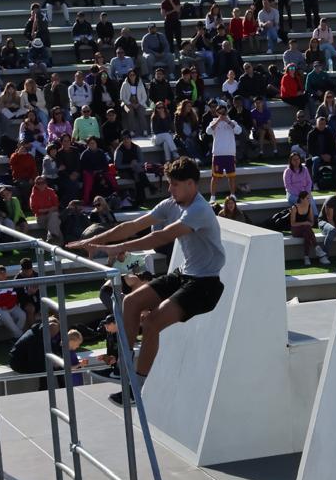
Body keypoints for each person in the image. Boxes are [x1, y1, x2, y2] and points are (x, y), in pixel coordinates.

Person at [67, 157, 227, 389]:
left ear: (191, 184)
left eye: (175, 184)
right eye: (169, 183)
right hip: (184, 274)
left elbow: (160, 237)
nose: (170, 189)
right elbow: (131, 226)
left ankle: (138, 384)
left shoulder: (199, 210)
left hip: (205, 285)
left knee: (151, 323)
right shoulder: (172, 204)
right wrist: (93, 240)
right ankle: (122, 368)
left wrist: (118, 247)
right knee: (131, 302)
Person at [206, 103, 242, 200]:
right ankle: (212, 197)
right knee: (215, 177)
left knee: (231, 176)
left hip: (230, 153)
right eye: (220, 112)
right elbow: (208, 131)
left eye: (224, 112)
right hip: (218, 153)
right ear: (217, 113)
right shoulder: (213, 122)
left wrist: (228, 121)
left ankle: (233, 195)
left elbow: (239, 131)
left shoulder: (232, 122)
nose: (222, 114)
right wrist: (218, 120)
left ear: (226, 112)